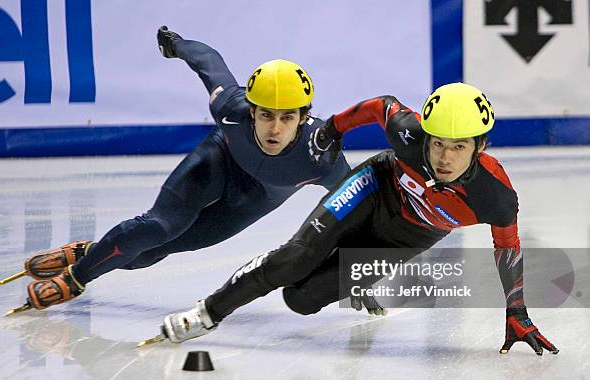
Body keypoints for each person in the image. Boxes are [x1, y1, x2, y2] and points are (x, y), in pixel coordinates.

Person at [159, 82, 559, 356]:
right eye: (437, 143)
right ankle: (208, 313)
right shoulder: (408, 133)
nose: (444, 157)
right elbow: (381, 106)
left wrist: (516, 313)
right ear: (426, 135)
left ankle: (346, 273)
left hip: (407, 238)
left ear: (481, 146)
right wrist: (333, 128)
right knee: (296, 258)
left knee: (300, 299)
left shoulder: (497, 195)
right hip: (374, 187)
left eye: (459, 147)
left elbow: (508, 251)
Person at [7, 26, 350, 311]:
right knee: (159, 226)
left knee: (153, 252)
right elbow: (209, 62)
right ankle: (75, 278)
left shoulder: (322, 155)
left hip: (254, 199)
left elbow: (361, 208)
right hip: (217, 163)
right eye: (266, 115)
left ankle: (89, 251)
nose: (275, 129)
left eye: (287, 117)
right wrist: (176, 44)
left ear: (304, 117)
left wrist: (360, 278)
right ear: (252, 109)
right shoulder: (232, 108)